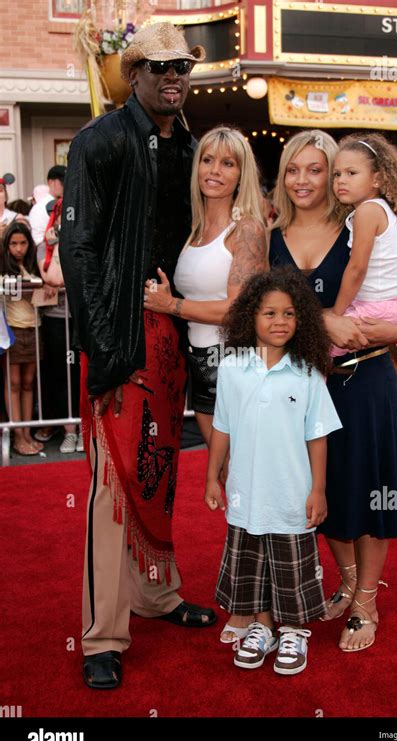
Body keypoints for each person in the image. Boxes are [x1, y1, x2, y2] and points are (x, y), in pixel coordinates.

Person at [60, 22, 216, 690]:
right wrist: (105, 346)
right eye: (159, 67)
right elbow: (80, 251)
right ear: (135, 73)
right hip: (118, 341)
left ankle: (158, 592)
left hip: (172, 340)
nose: (174, 76)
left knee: (157, 471)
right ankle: (102, 634)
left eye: (182, 65)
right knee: (108, 489)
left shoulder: (192, 145)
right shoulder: (100, 141)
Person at [269, 129, 397, 652]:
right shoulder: (271, 234)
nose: (308, 179)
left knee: (370, 482)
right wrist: (324, 321)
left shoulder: (357, 220)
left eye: (321, 169)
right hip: (301, 383)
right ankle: (346, 578)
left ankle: (366, 599)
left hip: (365, 377)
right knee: (324, 487)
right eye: (297, 168)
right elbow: (255, 310)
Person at [205, 269, 342, 674]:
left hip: (291, 493)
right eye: (269, 313)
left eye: (288, 313)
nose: (279, 322)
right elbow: (221, 426)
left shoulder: (308, 372)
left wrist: (318, 489)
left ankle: (295, 631)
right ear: (250, 317)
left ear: (301, 320)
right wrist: (212, 476)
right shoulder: (232, 369)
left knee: (291, 567)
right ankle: (262, 628)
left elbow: (318, 436)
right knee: (252, 566)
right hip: (247, 492)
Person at [145, 126, 267, 452]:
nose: (214, 171)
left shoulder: (247, 230)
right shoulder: (194, 230)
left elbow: (238, 309)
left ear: (242, 175)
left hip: (237, 362)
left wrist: (171, 305)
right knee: (225, 471)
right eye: (208, 160)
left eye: (228, 164)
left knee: (246, 471)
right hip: (200, 362)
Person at [331, 133, 397, 356]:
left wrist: (337, 314)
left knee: (318, 345)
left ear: (377, 179)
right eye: (337, 174)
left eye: (351, 173)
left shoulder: (367, 211)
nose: (341, 180)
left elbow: (357, 269)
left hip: (378, 307)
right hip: (391, 304)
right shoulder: (378, 209)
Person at [35, 198, 83, 453]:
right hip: (56, 320)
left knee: (83, 376)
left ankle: (85, 429)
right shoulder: (44, 247)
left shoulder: (84, 243)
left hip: (82, 317)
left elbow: (83, 274)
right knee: (62, 377)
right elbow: (55, 278)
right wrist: (57, 244)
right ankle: (69, 431)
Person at [0, 222, 43, 455]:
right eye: (14, 243)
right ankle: (18, 436)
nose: (19, 248)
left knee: (28, 383)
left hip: (34, 327)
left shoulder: (33, 266)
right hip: (12, 330)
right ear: (7, 246)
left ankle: (26, 432)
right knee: (13, 383)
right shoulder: (3, 268)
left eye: (23, 243)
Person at [29, 166, 65, 246]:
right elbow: (37, 240)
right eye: (62, 183)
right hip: (47, 250)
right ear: (51, 182)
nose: (65, 186)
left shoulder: (66, 203)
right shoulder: (40, 207)